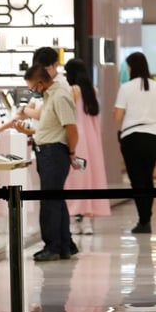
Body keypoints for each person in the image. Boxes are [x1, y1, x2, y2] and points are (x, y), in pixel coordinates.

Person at [20, 65, 81, 262]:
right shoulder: (49, 97)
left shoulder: (60, 96)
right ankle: (65, 245)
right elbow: (50, 128)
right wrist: (30, 133)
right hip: (47, 151)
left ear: (40, 82)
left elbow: (71, 128)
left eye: (32, 88)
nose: (33, 92)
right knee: (56, 200)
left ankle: (53, 246)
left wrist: (71, 153)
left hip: (54, 153)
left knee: (50, 202)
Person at [113, 52, 156, 234]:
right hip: (152, 137)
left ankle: (144, 220)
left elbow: (117, 117)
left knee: (136, 181)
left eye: (128, 67)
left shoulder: (126, 88)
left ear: (132, 67)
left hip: (131, 137)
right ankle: (146, 219)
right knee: (148, 178)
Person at [63, 58, 111, 235]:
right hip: (92, 141)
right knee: (89, 178)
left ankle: (76, 217)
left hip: (78, 140)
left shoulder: (72, 90)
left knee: (76, 179)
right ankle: (87, 219)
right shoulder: (93, 91)